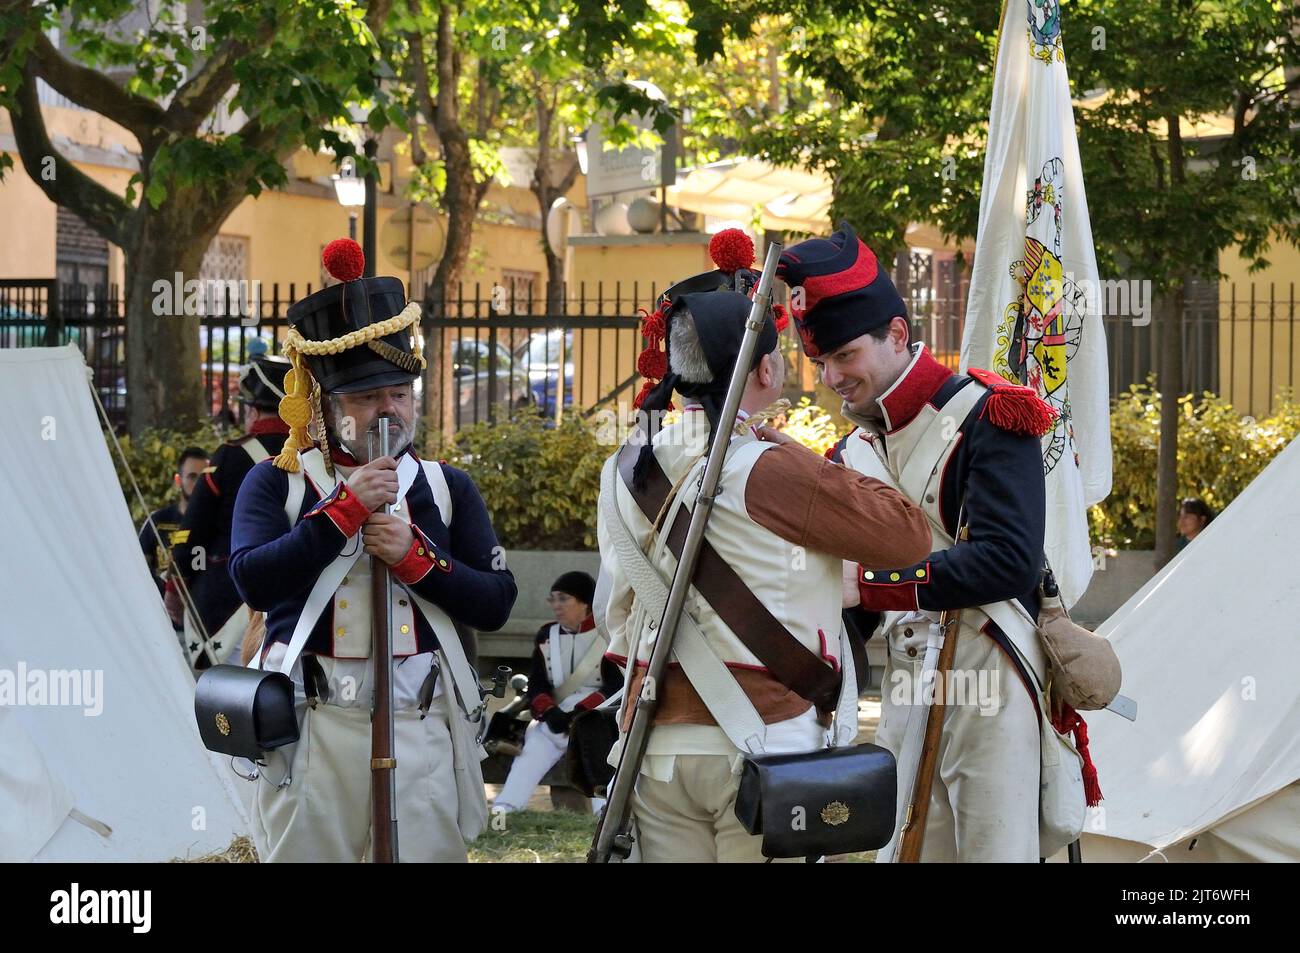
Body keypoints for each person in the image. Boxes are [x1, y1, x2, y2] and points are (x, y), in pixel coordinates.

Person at [598, 233, 931, 862]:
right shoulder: (768, 467)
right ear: (768, 369)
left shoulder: (624, 468)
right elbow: (905, 533)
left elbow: (616, 615)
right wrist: (792, 450)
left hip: (655, 746)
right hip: (765, 744)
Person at [780, 222, 1069, 862]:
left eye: (845, 355)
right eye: (820, 362)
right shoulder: (851, 452)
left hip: (988, 665)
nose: (831, 377)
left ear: (898, 334)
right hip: (909, 675)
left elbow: (1008, 560)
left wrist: (873, 586)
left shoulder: (992, 414)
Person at [228, 238, 518, 863]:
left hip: (417, 720)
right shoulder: (277, 482)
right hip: (313, 721)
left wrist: (419, 561)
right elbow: (252, 580)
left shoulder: (446, 487)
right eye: (365, 397)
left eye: (398, 393)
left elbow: (496, 601)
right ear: (327, 409)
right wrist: (342, 513)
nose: (388, 409)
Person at [170, 355, 293, 669]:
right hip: (295, 611)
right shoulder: (316, 455)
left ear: (252, 410)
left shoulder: (230, 456)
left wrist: (176, 586)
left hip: (227, 606)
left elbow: (193, 530)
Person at [493, 571, 618, 814]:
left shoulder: (607, 635)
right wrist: (550, 712)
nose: (556, 606)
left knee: (599, 756)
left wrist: (581, 713)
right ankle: (504, 810)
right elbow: (538, 682)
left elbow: (614, 686)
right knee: (532, 748)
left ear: (583, 602)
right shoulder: (546, 636)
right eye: (553, 599)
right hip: (555, 716)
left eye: (563, 599)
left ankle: (604, 813)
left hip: (595, 716)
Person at [139, 446, 208, 612]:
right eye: (192, 477)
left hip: (202, 623)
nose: (198, 483)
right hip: (160, 617)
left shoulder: (216, 525)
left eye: (203, 477)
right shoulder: (157, 521)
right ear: (178, 481)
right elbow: (138, 568)